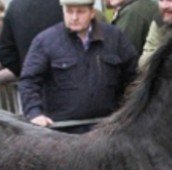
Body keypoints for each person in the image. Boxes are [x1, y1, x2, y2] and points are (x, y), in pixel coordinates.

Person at [18, 0, 137, 133]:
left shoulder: (115, 38)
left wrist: (128, 111)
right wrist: (34, 113)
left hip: (107, 131)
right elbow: (29, 81)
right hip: (63, 133)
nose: (74, 17)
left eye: (80, 12)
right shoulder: (45, 41)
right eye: (69, 11)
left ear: (92, 12)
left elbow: (133, 77)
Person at [0, 0, 63, 78]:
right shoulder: (68, 6)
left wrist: (26, 70)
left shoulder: (15, 6)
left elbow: (5, 53)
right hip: (65, 79)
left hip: (31, 82)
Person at [138, 0, 172, 68]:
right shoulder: (160, 22)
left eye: (170, 0)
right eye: (161, 0)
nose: (164, 6)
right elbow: (144, 63)